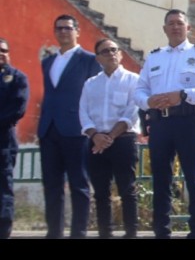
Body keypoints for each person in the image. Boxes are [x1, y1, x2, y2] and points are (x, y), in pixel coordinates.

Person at [134, 9, 195, 239]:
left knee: (194, 176)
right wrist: (148, 101)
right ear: (164, 29)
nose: (175, 27)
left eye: (180, 23)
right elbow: (140, 89)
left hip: (189, 121)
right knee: (161, 179)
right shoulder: (154, 57)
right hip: (160, 123)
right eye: (171, 23)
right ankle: (162, 230)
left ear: (188, 27)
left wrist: (182, 95)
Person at [38, 14, 100, 239]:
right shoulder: (47, 61)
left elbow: (95, 95)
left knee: (79, 184)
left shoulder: (89, 60)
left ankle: (78, 233)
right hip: (49, 129)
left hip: (76, 129)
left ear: (77, 31)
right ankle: (54, 232)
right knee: (52, 185)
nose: (63, 31)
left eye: (68, 28)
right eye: (59, 28)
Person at [78, 38, 140, 238]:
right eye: (105, 51)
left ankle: (131, 233)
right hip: (96, 142)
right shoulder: (90, 84)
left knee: (127, 189)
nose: (111, 54)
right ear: (98, 58)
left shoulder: (133, 80)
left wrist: (111, 136)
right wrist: (95, 136)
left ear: (120, 54)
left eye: (114, 50)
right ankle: (105, 233)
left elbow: (132, 111)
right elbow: (83, 113)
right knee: (101, 193)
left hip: (123, 140)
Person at [0, 38, 28, 239]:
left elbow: (18, 109)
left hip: (3, 141)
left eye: (4, 50)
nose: (1, 54)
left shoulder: (17, 78)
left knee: (3, 187)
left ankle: (3, 230)